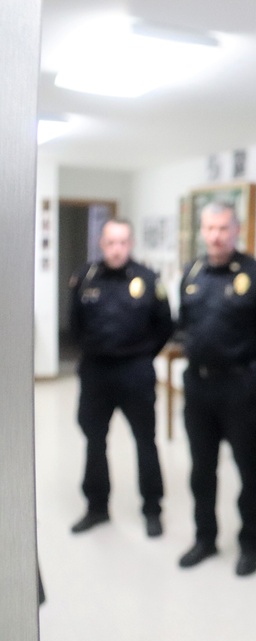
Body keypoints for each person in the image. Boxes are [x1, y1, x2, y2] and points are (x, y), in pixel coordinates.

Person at [176, 202, 256, 576]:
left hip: (240, 386)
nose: (216, 236)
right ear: (201, 231)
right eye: (209, 228)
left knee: (247, 469)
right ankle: (204, 538)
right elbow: (185, 324)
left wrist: (255, 366)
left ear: (236, 230)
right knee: (201, 470)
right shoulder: (191, 272)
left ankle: (250, 544)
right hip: (198, 386)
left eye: (223, 228)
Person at [68, 218, 173, 537]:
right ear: (102, 244)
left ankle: (152, 509)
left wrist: (141, 355)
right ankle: (96, 507)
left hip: (135, 372)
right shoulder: (84, 278)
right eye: (111, 242)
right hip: (96, 372)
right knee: (94, 441)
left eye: (123, 242)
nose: (117, 249)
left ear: (131, 244)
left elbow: (165, 326)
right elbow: (74, 324)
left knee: (145, 441)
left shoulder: (148, 278)